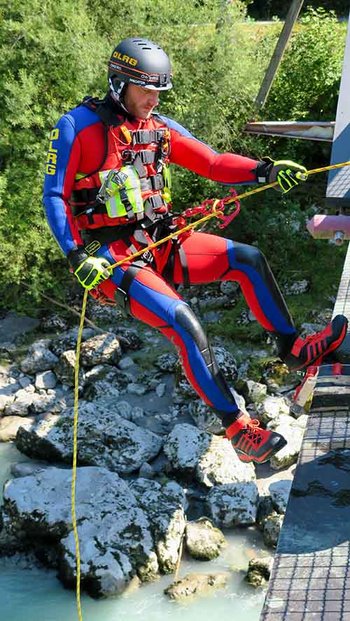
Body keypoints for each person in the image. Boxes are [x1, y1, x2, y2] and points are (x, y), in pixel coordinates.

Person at [43, 37, 348, 464]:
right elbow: (54, 196)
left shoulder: (159, 127)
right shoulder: (78, 126)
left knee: (247, 259)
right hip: (110, 259)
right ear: (118, 84)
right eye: (145, 90)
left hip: (159, 240)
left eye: (158, 92)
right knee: (184, 322)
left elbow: (213, 161)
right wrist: (77, 255)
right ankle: (238, 428)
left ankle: (294, 351)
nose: (152, 99)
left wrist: (266, 170)